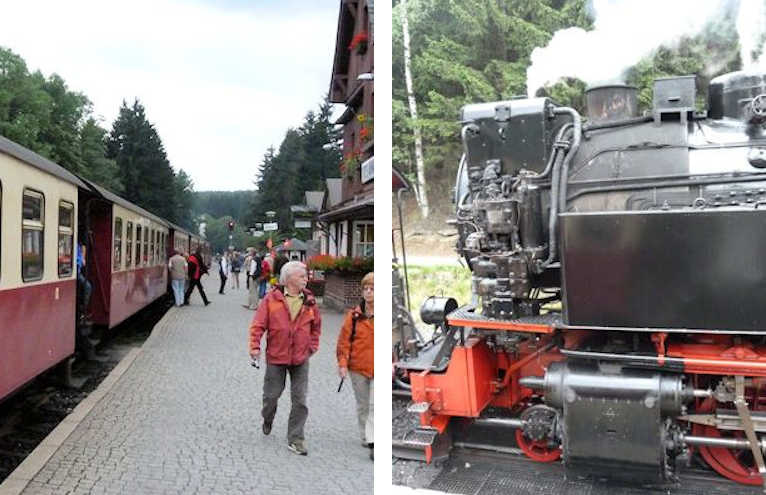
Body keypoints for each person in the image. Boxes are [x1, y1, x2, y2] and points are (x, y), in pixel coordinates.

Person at [249, 261, 321, 456]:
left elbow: (316, 328)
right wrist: (255, 347)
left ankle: (296, 439)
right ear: (288, 279)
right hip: (276, 356)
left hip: (300, 358)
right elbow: (257, 325)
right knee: (271, 396)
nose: (306, 279)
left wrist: (311, 347)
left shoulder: (310, 301)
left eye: (306, 276)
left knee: (300, 400)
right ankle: (268, 417)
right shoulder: (271, 300)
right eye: (302, 276)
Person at [336, 272, 374, 460]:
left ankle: (373, 436)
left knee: (375, 404)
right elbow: (344, 342)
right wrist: (343, 364)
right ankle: (365, 435)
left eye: (372, 289)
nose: (368, 292)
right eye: (366, 289)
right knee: (363, 404)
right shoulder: (354, 315)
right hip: (358, 367)